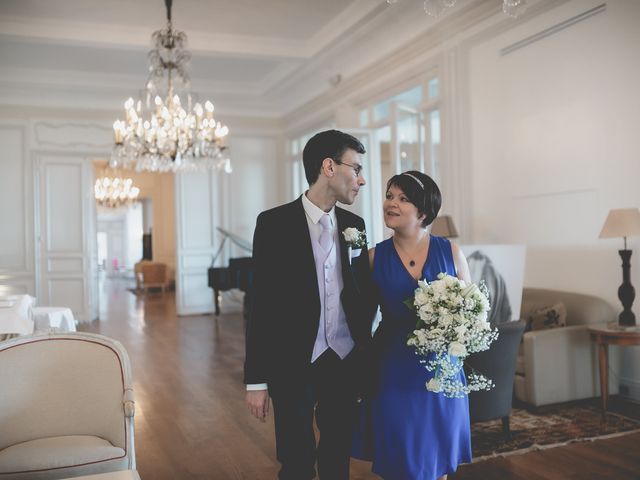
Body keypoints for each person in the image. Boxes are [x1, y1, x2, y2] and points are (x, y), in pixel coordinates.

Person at [244, 129, 374, 480]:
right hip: (293, 360)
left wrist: (366, 356)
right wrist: (256, 380)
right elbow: (261, 306)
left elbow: (362, 297)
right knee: (296, 460)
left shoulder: (355, 226)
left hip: (344, 359)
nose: (361, 180)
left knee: (337, 457)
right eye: (356, 168)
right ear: (329, 167)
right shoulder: (273, 224)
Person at [353, 170, 472, 480]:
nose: (391, 203)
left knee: (437, 457)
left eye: (403, 199)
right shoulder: (371, 258)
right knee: (400, 454)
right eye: (390, 196)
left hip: (441, 369)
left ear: (423, 211)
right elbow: (358, 322)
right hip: (392, 368)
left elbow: (471, 313)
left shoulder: (452, 254)